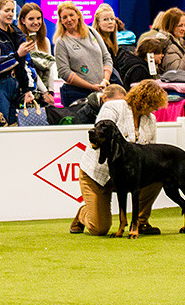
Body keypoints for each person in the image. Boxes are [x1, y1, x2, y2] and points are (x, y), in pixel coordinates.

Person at [70, 80, 168, 236]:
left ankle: (141, 221)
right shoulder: (113, 107)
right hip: (98, 175)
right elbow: (97, 137)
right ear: (145, 101)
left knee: (158, 174)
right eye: (154, 105)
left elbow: (150, 152)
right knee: (99, 229)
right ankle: (83, 213)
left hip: (127, 175)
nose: (156, 109)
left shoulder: (151, 120)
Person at [0, 0, 37, 124]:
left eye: (12, 10)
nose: (10, 14)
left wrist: (28, 89)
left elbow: (27, 63)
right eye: (6, 11)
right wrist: (16, 56)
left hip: (16, 86)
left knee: (15, 127)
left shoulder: (18, 35)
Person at [54, 1, 112, 105]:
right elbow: (64, 72)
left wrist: (105, 81)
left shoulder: (92, 32)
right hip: (75, 94)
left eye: (71, 15)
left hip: (100, 90)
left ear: (78, 15)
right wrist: (91, 87)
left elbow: (106, 57)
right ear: (61, 21)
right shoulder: (61, 42)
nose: (69, 19)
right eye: (64, 17)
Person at [18, 3, 55, 104]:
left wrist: (50, 91)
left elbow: (49, 69)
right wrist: (44, 92)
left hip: (46, 93)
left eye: (38, 18)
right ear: (23, 20)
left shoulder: (45, 41)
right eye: (31, 19)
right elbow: (29, 69)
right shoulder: (20, 42)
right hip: (28, 93)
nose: (36, 22)